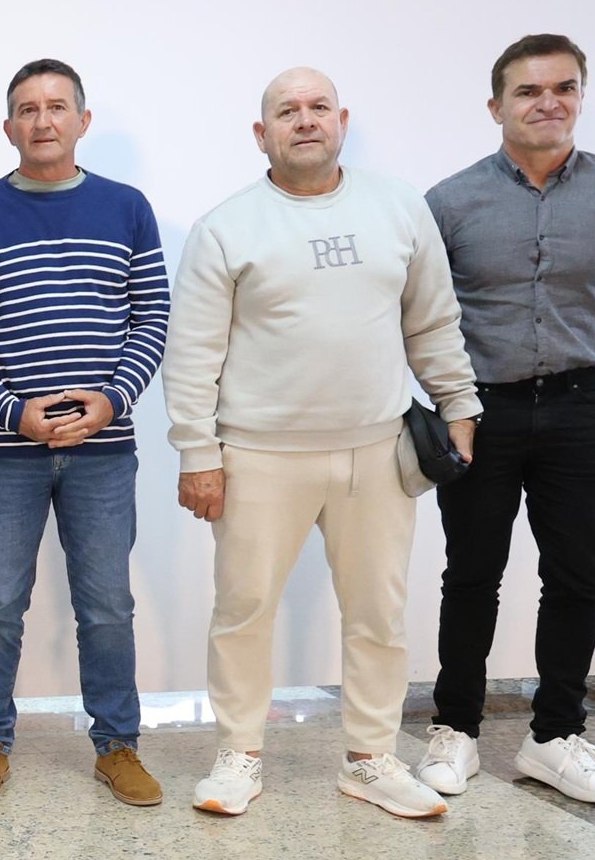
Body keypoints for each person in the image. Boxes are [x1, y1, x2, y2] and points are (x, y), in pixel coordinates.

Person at [165, 67, 479, 819]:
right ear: (260, 133)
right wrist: (196, 452)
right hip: (258, 456)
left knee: (378, 611)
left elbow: (432, 322)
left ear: (341, 120)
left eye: (317, 108)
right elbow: (193, 354)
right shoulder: (226, 227)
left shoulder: (398, 208)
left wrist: (459, 405)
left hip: (376, 452)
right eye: (286, 111)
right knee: (243, 610)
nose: (304, 121)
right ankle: (238, 753)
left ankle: (370, 757)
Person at [0, 59, 169, 807]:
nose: (42, 120)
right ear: (8, 127)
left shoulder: (127, 208)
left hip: (103, 451)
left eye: (56, 106)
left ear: (82, 121)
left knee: (107, 606)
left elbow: (151, 317)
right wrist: (14, 412)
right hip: (5, 453)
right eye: (27, 109)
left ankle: (117, 745)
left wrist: (112, 400)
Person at [418, 34, 595, 805]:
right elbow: (421, 318)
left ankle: (555, 734)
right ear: (496, 106)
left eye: (563, 88)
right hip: (480, 414)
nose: (548, 103)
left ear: (581, 97)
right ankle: (455, 727)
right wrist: (450, 405)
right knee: (472, 574)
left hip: (584, 405)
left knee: (580, 574)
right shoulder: (450, 202)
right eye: (529, 91)